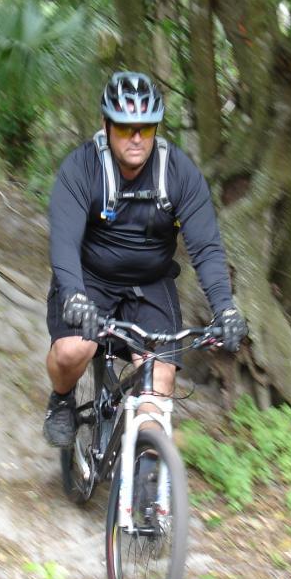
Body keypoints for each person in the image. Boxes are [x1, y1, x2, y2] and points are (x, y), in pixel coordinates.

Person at [43, 70, 247, 447]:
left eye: (146, 128)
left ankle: (150, 477)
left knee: (159, 385)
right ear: (106, 126)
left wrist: (225, 309)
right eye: (124, 128)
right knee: (75, 349)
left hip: (150, 283)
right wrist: (73, 295)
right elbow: (65, 241)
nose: (136, 137)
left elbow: (206, 246)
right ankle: (61, 400)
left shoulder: (178, 172)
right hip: (90, 278)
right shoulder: (82, 168)